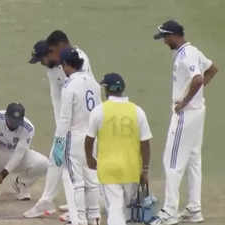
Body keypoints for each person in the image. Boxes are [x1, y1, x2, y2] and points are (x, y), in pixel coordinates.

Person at [148, 20, 218, 225]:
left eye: (165, 37)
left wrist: (185, 101)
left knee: (172, 162)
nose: (164, 41)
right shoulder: (193, 51)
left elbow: (197, 79)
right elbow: (213, 69)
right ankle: (194, 209)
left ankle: (169, 212)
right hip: (198, 113)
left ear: (175, 35)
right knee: (194, 160)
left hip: (186, 115)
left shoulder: (186, 55)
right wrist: (196, 96)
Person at [85, 73, 153, 225]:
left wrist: (90, 158)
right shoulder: (138, 111)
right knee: (128, 212)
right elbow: (145, 143)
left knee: (115, 210)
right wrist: (145, 170)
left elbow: (89, 139)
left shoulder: (99, 111)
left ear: (106, 90)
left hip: (108, 170)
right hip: (131, 169)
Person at [52, 48, 102, 225]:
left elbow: (65, 119)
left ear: (66, 64)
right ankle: (94, 218)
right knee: (92, 179)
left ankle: (80, 220)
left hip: (75, 138)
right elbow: (99, 112)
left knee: (77, 182)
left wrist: (59, 143)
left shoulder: (69, 85)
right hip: (92, 137)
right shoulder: (94, 83)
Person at [24, 40, 72, 221]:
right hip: (64, 127)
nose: (41, 63)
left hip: (77, 127)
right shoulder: (52, 71)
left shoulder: (72, 65)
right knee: (57, 161)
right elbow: (58, 101)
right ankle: (49, 201)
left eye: (42, 59)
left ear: (51, 53)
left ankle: (79, 206)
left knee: (72, 166)